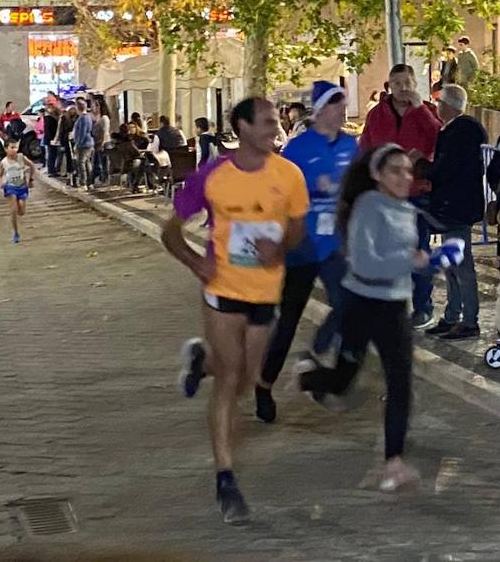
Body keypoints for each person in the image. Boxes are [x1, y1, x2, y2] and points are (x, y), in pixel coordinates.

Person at [161, 97, 308, 524]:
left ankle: (200, 358)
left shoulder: (289, 174)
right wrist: (196, 262)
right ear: (242, 127)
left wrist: (279, 247)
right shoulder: (214, 176)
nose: (275, 127)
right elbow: (169, 230)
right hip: (223, 290)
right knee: (229, 381)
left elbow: (297, 228)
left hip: (266, 294)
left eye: (277, 120)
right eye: (266, 121)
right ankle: (226, 479)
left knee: (248, 378)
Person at [296, 143, 424, 493]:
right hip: (362, 302)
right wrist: (410, 262)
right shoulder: (367, 207)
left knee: (401, 384)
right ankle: (309, 376)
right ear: (377, 175)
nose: (404, 177)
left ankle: (393, 462)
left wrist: (432, 260)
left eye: (407, 171)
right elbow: (366, 263)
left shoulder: (407, 211)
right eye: (395, 170)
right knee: (342, 380)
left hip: (395, 305)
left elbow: (402, 257)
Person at [256, 81, 358, 423]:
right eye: (337, 105)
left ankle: (317, 363)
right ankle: (264, 386)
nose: (343, 111)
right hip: (302, 244)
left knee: (348, 306)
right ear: (321, 110)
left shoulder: (349, 144)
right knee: (287, 320)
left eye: (344, 105)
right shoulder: (299, 149)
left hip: (335, 245)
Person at [358, 63, 442, 329]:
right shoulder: (377, 115)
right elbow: (365, 150)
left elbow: (439, 137)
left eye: (407, 82)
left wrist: (419, 110)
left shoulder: (427, 111)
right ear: (389, 86)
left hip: (417, 192)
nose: (403, 88)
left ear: (415, 84)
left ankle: (423, 307)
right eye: (397, 83)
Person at [422, 84, 486, 339]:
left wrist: (421, 166)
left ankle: (468, 319)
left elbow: (446, 169)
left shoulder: (460, 131)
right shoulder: (464, 130)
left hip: (456, 207)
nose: (437, 108)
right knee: (452, 264)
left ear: (447, 106)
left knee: (460, 265)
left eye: (439, 104)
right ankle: (453, 314)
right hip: (455, 206)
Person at [0, 140, 36, 243]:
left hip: (22, 187)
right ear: (6, 149)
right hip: (10, 187)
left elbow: (32, 166)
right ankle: (15, 232)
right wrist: (1, 183)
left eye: (16, 147)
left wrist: (31, 179)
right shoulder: (4, 162)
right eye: (12, 147)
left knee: (21, 211)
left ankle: (19, 210)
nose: (15, 150)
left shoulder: (21, 158)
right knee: (13, 210)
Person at [71, 99, 96, 189]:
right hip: (87, 143)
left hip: (84, 144)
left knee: (81, 163)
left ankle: (84, 182)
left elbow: (82, 132)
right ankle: (89, 182)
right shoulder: (87, 117)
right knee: (86, 162)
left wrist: (77, 144)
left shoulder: (83, 118)